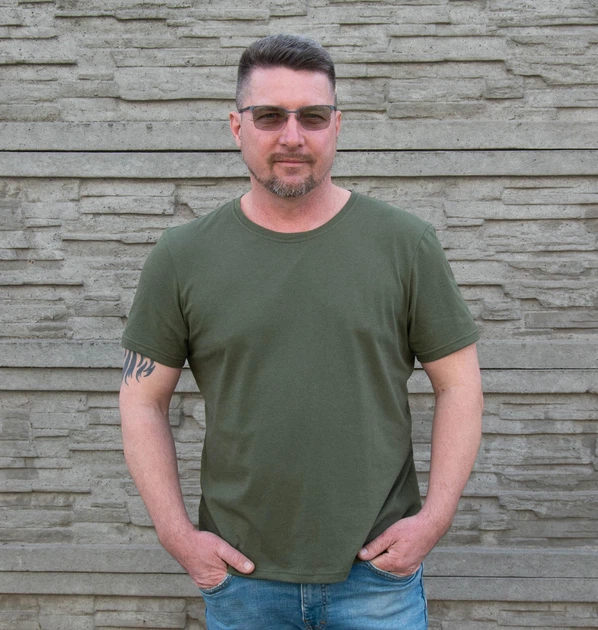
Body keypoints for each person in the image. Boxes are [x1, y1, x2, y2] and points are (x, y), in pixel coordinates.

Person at [119, 34, 483, 630]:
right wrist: (177, 535)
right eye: (270, 116)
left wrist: (433, 520)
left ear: (336, 125)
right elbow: (142, 399)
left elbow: (460, 385)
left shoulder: (405, 245)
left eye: (312, 116)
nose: (292, 136)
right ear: (237, 126)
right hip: (242, 580)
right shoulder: (182, 256)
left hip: (377, 578)